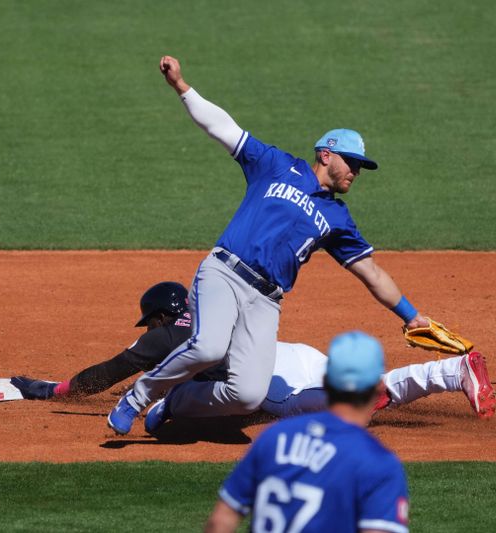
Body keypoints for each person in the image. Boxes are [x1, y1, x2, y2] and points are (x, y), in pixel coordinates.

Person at [106, 55, 445, 435]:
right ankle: (136, 398)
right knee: (208, 348)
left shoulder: (338, 219)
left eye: (360, 167)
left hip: (266, 300)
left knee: (247, 395)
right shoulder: (277, 166)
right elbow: (223, 128)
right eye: (351, 162)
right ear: (326, 154)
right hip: (225, 271)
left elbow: (372, 273)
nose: (356, 171)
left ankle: (175, 402)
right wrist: (182, 88)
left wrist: (411, 315)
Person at [11, 282, 496, 423]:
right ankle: (450, 374)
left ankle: (452, 371)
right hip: (291, 356)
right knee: (363, 395)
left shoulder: (166, 335)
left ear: (160, 316)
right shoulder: (212, 310)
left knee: (365, 398)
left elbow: (113, 370)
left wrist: (58, 389)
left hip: (280, 385)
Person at [205, 331, 410, 533]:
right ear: (379, 386)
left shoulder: (275, 437)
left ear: (327, 380)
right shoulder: (377, 463)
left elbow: (220, 521)